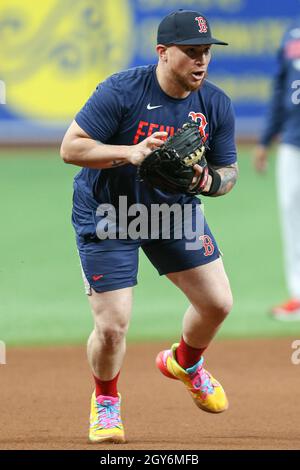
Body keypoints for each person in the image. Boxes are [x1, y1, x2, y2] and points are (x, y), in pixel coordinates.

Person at [60, 9, 238, 444]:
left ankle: (185, 363)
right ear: (162, 52)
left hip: (172, 212)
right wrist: (131, 152)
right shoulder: (121, 91)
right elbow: (71, 148)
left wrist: (206, 181)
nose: (201, 61)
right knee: (113, 324)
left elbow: (228, 172)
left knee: (217, 303)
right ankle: (105, 400)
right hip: (109, 212)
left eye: (206, 53)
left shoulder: (214, 104)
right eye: (191, 52)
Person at [254, 19, 300, 321]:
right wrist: (264, 139)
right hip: (292, 140)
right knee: (292, 215)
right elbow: (280, 88)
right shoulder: (291, 36)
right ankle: (299, 295)